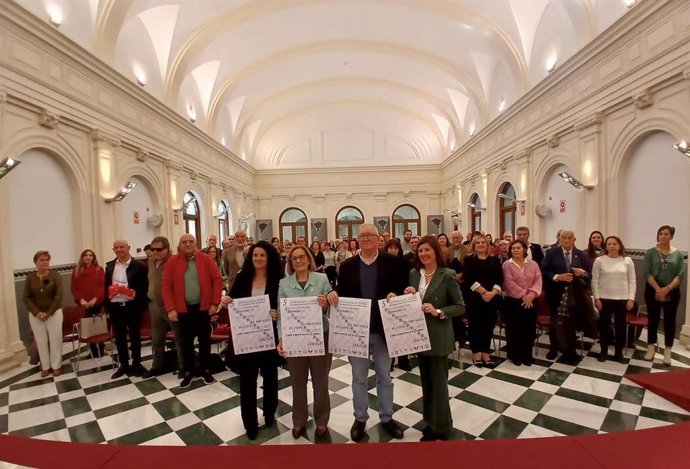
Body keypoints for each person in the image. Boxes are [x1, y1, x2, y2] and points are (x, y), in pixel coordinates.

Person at [328, 224, 406, 442]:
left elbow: (401, 288)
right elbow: (342, 292)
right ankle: (360, 418)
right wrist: (334, 294)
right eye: (362, 236)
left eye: (369, 235)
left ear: (378, 238)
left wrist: (396, 294)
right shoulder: (348, 265)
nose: (365, 238)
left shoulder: (392, 262)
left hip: (383, 330)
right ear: (358, 239)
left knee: (384, 376)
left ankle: (387, 417)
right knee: (358, 378)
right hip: (356, 331)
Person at [403, 236, 464, 441]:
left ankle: (443, 426)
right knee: (426, 382)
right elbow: (411, 301)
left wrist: (438, 310)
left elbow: (460, 306)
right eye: (420, 251)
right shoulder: (413, 274)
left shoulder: (447, 275)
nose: (423, 254)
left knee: (439, 383)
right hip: (418, 335)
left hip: (438, 335)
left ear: (436, 251)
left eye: (427, 250)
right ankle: (430, 421)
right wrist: (408, 293)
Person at [223, 241, 283, 440]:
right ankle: (249, 422)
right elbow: (231, 300)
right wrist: (226, 302)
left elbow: (284, 304)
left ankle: (269, 413)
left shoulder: (278, 279)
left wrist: (278, 313)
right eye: (255, 255)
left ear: (269, 258)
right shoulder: (242, 278)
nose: (258, 258)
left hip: (269, 336)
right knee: (247, 381)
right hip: (247, 338)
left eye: (262, 255)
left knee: (270, 377)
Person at [277, 245, 333, 439]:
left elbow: (331, 308)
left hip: (321, 337)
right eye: (294, 258)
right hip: (295, 339)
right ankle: (298, 420)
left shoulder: (322, 279)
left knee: (321, 381)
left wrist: (325, 304)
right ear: (290, 263)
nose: (298, 261)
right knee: (297, 382)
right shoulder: (284, 284)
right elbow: (281, 315)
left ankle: (322, 420)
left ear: (309, 259)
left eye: (302, 257)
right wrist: (281, 338)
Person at [163, 234, 223, 388]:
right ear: (180, 244)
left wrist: (215, 302)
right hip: (183, 309)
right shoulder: (172, 262)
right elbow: (167, 286)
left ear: (196, 243)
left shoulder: (206, 259)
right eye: (184, 242)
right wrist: (171, 308)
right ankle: (188, 371)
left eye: (191, 241)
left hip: (203, 308)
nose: (188, 244)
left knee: (205, 341)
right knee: (186, 342)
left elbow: (217, 280)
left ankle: (205, 369)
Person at [541, 230, 591, 364]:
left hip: (575, 295)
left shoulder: (581, 255)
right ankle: (553, 348)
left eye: (570, 238)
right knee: (554, 323)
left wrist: (583, 273)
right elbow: (544, 271)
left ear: (574, 239)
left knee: (571, 324)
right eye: (564, 238)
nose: (567, 240)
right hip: (555, 294)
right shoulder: (551, 253)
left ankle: (571, 350)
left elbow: (589, 275)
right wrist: (558, 277)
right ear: (559, 239)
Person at [105, 239, 149, 379]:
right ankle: (124, 365)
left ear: (128, 247)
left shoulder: (139, 266)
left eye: (121, 247)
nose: (119, 249)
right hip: (115, 307)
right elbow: (105, 286)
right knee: (119, 338)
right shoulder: (110, 266)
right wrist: (106, 306)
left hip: (132, 306)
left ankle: (137, 364)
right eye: (116, 247)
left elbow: (144, 286)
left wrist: (135, 293)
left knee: (135, 336)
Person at [643, 225, 685, 365]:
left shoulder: (678, 254)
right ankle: (651, 348)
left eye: (666, 234)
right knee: (653, 319)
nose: (663, 236)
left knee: (669, 320)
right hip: (652, 288)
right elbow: (646, 273)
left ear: (671, 236)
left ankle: (668, 351)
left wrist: (667, 288)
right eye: (660, 234)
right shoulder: (650, 253)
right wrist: (658, 289)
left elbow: (681, 274)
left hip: (671, 290)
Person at [144, 236, 184, 378]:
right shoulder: (150, 261)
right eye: (153, 249)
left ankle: (183, 367)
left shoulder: (174, 261)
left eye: (159, 249)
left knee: (179, 338)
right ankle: (157, 366)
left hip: (171, 305)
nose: (155, 252)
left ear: (167, 249)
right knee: (156, 338)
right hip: (155, 305)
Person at [591, 236, 635, 364]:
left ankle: (618, 352)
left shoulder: (627, 260)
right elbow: (594, 280)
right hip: (604, 298)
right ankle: (603, 351)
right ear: (606, 246)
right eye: (609, 244)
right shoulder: (599, 260)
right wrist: (597, 298)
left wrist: (631, 299)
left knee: (620, 327)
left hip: (622, 298)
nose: (612, 246)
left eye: (614, 243)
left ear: (619, 245)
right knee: (604, 326)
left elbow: (632, 281)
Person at [462, 234, 503, 368]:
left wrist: (492, 293)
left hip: (492, 298)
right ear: (473, 246)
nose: (480, 244)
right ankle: (476, 352)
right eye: (477, 243)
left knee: (488, 326)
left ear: (487, 245)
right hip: (474, 298)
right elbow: (468, 279)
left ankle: (486, 352)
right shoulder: (469, 260)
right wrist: (484, 292)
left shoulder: (495, 260)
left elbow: (499, 278)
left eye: (483, 242)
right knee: (475, 326)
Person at [23, 250, 63, 377]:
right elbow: (26, 297)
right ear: (36, 262)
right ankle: (45, 366)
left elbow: (58, 295)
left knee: (55, 339)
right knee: (41, 340)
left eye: (47, 259)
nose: (45, 262)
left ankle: (56, 366)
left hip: (54, 313)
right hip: (36, 315)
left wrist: (48, 312)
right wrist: (37, 313)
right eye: (42, 260)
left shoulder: (55, 276)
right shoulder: (30, 278)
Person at [502, 240, 542, 366]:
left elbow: (538, 280)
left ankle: (527, 355)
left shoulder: (533, 264)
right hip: (513, 302)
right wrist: (525, 296)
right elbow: (509, 283)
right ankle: (515, 355)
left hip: (531, 301)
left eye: (518, 248)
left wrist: (531, 295)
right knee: (514, 330)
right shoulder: (506, 265)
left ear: (524, 249)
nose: (515, 250)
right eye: (513, 248)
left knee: (529, 329)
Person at [71, 249, 105, 358]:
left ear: (94, 258)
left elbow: (102, 286)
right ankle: (93, 351)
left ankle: (101, 348)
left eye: (90, 255)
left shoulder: (99, 270)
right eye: (86, 255)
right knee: (88, 328)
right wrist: (81, 300)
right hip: (83, 304)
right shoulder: (76, 271)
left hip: (97, 302)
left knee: (98, 326)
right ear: (82, 257)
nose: (88, 257)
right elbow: (74, 288)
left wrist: (95, 299)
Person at [384, 238, 412, 372]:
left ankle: (403, 360)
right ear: (387, 249)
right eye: (391, 248)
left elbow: (407, 281)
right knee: (389, 332)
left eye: (396, 248)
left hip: (401, 298)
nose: (393, 250)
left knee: (402, 331)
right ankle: (389, 361)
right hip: (387, 300)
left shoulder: (405, 263)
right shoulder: (381, 264)